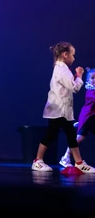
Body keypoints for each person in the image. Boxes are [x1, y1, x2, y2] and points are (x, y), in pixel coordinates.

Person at [31, 42, 95, 173]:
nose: (74, 58)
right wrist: (79, 75)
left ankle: (78, 162)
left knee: (68, 135)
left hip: (62, 110)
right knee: (53, 134)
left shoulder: (62, 69)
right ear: (65, 55)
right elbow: (75, 87)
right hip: (59, 109)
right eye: (73, 55)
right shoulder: (62, 70)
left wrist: (76, 77)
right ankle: (38, 160)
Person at [59, 67, 95, 167]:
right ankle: (65, 158)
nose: (94, 80)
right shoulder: (90, 91)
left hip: (92, 119)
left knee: (79, 138)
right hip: (88, 118)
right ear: (88, 80)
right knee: (78, 139)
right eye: (92, 78)